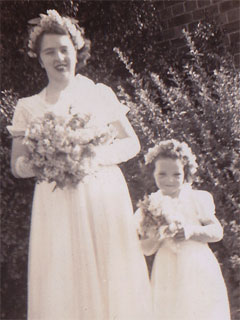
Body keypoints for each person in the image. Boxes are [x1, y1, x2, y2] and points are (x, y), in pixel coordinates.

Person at [8, 9, 152, 320]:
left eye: (64, 49)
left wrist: (90, 156)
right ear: (39, 57)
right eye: (50, 51)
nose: (59, 57)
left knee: (111, 270)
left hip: (103, 193)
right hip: (56, 200)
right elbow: (17, 166)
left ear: (77, 50)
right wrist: (47, 158)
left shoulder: (98, 93)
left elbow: (132, 143)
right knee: (63, 272)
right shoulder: (28, 107)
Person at [135, 139, 231, 320]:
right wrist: (158, 235)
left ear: (185, 173)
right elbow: (146, 249)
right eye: (162, 174)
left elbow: (217, 231)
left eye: (176, 174)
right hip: (167, 268)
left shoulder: (196, 198)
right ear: (152, 173)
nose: (169, 180)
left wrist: (191, 231)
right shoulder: (148, 206)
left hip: (197, 264)